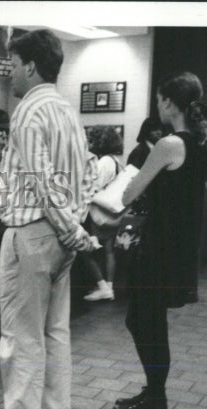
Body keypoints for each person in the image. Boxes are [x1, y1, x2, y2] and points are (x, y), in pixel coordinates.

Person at [0, 29, 99, 409]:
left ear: (30, 66)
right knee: (55, 332)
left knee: (21, 334)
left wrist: (68, 228)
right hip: (61, 240)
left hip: (31, 235)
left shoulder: (29, 113)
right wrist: (76, 228)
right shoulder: (66, 110)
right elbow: (88, 174)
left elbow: (42, 183)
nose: (9, 74)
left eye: (12, 66)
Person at [113, 72, 207, 409]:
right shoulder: (200, 144)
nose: (157, 106)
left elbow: (128, 193)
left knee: (143, 321)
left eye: (159, 100)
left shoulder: (170, 144)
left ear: (169, 102)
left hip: (157, 248)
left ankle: (155, 397)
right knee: (149, 320)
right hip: (178, 246)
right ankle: (154, 390)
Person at [83, 126, 125, 302]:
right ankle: (109, 286)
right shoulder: (116, 162)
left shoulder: (103, 163)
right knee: (109, 251)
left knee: (85, 250)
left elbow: (91, 187)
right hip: (111, 214)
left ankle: (101, 286)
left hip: (98, 213)